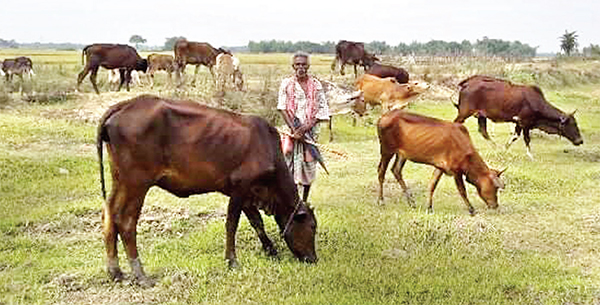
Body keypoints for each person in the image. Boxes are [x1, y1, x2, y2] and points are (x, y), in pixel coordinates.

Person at [277, 52, 329, 202]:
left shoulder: (316, 85)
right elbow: (282, 107)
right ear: (293, 66)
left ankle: (304, 200)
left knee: (309, 162)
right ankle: (291, 198)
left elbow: (322, 109)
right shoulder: (286, 83)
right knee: (288, 160)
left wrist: (305, 128)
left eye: (304, 64)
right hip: (291, 130)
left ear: (308, 66)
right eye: (298, 64)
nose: (301, 67)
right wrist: (294, 130)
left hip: (310, 132)